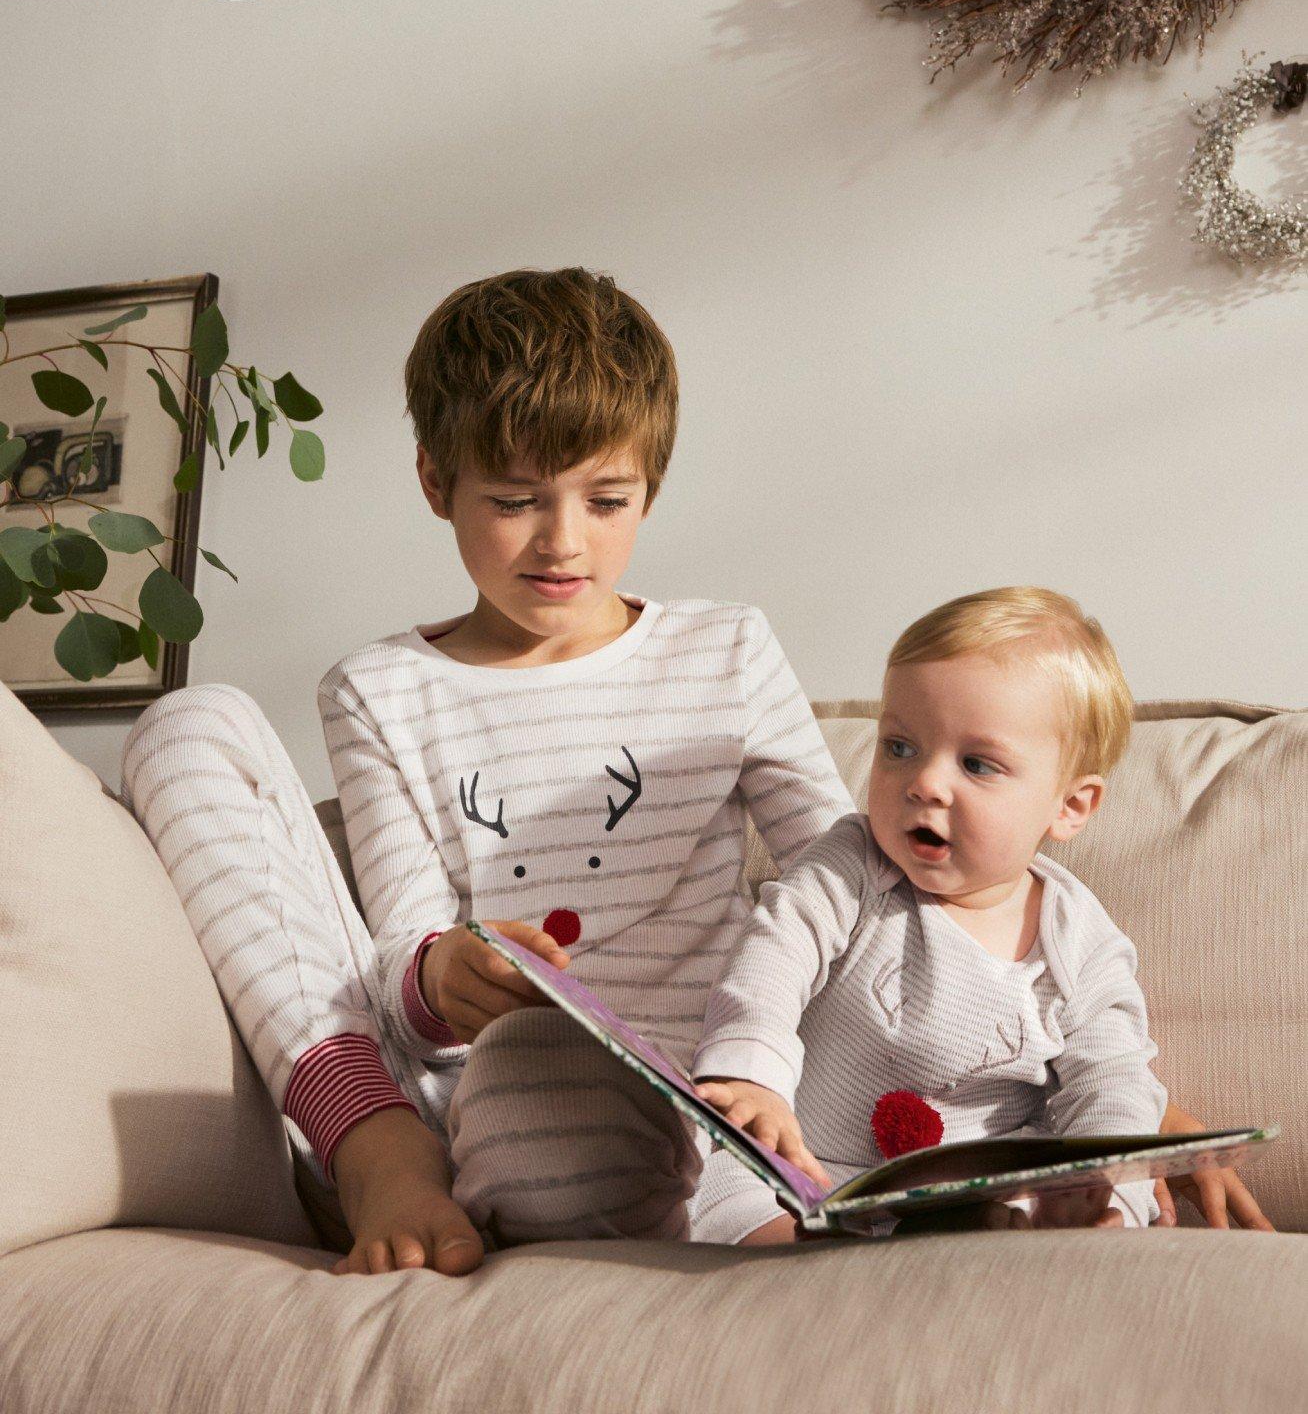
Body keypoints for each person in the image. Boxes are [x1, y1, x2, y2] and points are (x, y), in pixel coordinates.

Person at [118, 270, 1269, 1277]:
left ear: (650, 489)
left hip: (702, 1104)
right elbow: (401, 973)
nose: (562, 541)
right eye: (514, 499)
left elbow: (873, 886)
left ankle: (515, 1184)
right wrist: (444, 974)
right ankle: (375, 1152)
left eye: (606, 501)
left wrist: (1118, 1112)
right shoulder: (377, 688)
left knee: (571, 1135)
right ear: (434, 479)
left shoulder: (723, 650)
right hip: (470, 1088)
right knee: (190, 724)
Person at [692, 589, 1180, 1239]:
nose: (924, 782)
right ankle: (813, 1260)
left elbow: (1112, 1081)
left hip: (974, 1188)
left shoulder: (1081, 944)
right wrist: (751, 1077)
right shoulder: (854, 863)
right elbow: (777, 950)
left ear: (1069, 806)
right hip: (807, 1167)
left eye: (976, 764)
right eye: (900, 747)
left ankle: (1031, 1231)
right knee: (729, 1200)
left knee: (1059, 1197)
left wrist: (1106, 1186)